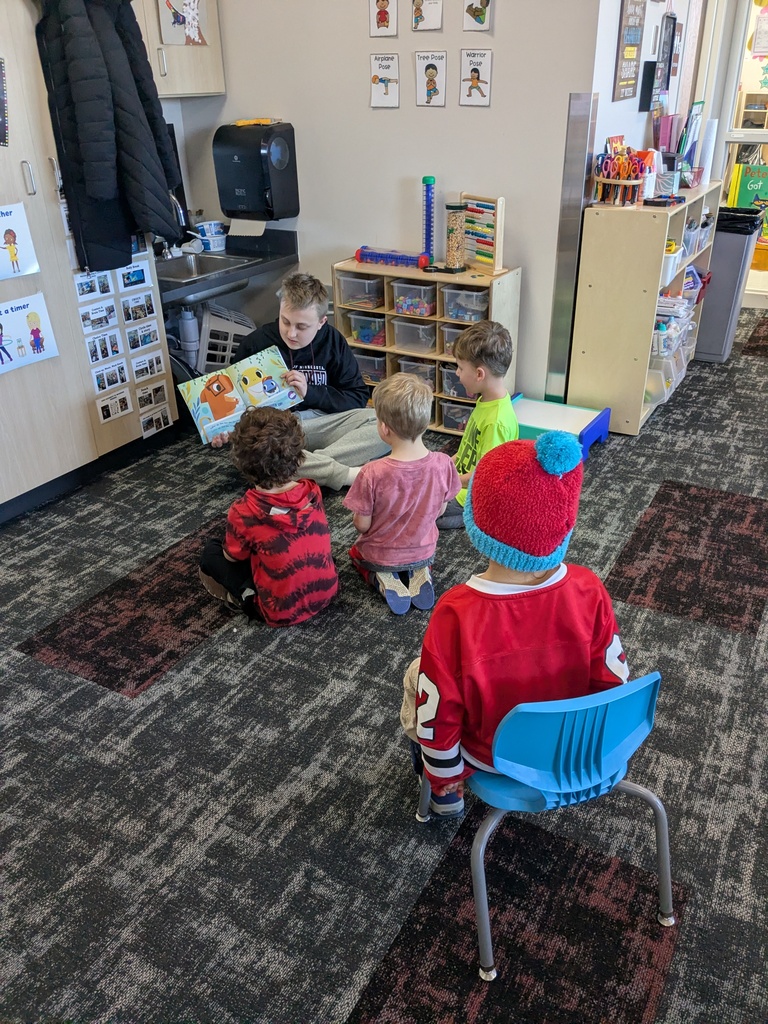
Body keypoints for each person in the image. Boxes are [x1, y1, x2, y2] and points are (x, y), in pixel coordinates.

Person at [400, 432, 630, 817]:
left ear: (477, 525)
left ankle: (446, 792)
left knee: (416, 677)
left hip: (493, 756)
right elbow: (612, 684)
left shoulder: (455, 611)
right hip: (576, 752)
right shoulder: (589, 588)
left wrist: (446, 780)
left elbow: (440, 713)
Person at [212, 272, 390, 490]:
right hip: (272, 432)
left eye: (302, 326)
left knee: (383, 423)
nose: (291, 333)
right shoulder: (255, 343)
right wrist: (226, 429)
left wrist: (311, 392)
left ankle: (295, 466)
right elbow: (234, 405)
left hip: (319, 423)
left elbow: (357, 397)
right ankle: (343, 473)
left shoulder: (333, 341)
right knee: (255, 446)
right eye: (285, 321)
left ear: (321, 322)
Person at [199, 406, 339, 627]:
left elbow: (233, 558)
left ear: (241, 462)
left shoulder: (244, 510)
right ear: (299, 455)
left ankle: (240, 597)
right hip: (327, 591)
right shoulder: (312, 490)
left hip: (279, 612)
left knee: (211, 553)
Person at [344, 373, 460, 614]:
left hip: (380, 554)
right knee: (417, 551)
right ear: (425, 422)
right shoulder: (443, 464)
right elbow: (439, 510)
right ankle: (420, 571)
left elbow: (362, 526)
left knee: (356, 553)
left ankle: (381, 578)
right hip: (424, 549)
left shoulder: (371, 472)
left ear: (384, 429)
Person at [437, 319, 518, 529]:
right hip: (463, 482)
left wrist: (447, 482)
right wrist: (445, 465)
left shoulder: (497, 422)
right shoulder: (486, 400)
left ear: (479, 374)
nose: (456, 373)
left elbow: (485, 475)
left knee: (422, 511)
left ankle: (479, 517)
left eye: (460, 367)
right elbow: (467, 450)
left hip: (472, 492)